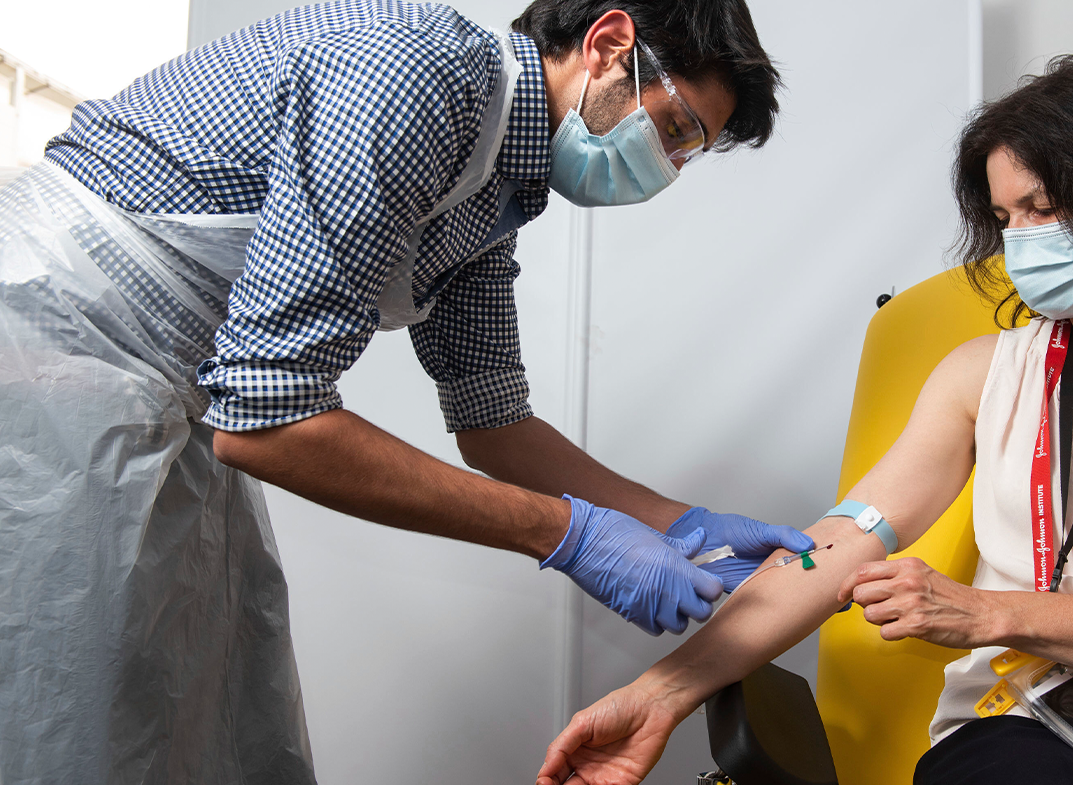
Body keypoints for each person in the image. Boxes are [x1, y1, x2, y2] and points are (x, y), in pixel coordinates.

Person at [0, 0, 816, 781]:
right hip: (53, 343)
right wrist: (566, 533)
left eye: (686, 152)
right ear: (608, 44)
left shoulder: (500, 182)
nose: (666, 168)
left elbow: (493, 421)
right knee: (63, 708)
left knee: (209, 694)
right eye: (673, 130)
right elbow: (270, 421)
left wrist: (680, 525)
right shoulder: (413, 80)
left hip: (169, 387)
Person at [535, 53, 1073, 785]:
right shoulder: (980, 377)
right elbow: (832, 550)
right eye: (1004, 219)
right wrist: (660, 692)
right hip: (1027, 721)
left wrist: (991, 613)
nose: (1019, 242)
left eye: (1041, 208)